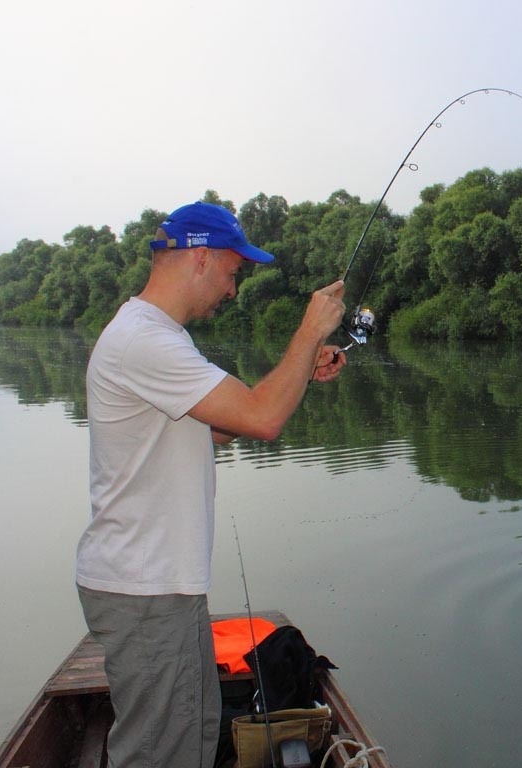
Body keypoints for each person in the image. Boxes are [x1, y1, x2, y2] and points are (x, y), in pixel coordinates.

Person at [75, 201, 347, 767]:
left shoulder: (157, 336)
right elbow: (261, 418)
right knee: (159, 754)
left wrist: (301, 371)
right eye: (233, 271)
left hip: (161, 587)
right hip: (145, 588)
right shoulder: (145, 340)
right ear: (201, 257)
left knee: (192, 738)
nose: (232, 288)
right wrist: (308, 328)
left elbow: (226, 427)